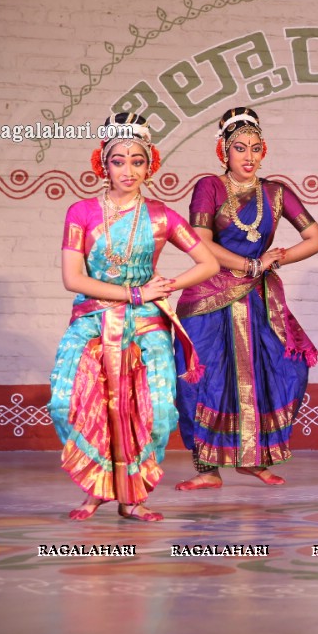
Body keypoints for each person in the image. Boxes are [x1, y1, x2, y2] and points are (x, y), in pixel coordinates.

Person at [49, 113, 218, 522]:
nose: (128, 170)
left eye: (137, 161)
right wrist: (133, 292)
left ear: (150, 164)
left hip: (145, 323)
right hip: (92, 320)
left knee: (157, 412)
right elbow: (74, 279)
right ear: (102, 164)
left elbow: (208, 263)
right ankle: (97, 488)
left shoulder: (161, 216)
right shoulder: (82, 212)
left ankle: (133, 496)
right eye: (119, 161)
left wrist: (168, 284)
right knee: (66, 403)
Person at [173, 107, 318, 490]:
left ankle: (252, 459)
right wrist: (251, 263)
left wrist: (274, 260)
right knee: (202, 379)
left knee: (278, 371)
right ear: (222, 151)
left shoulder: (275, 193)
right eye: (239, 147)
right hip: (208, 297)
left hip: (257, 298)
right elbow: (201, 244)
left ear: (264, 150)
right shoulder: (208, 186)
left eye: (255, 148)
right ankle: (206, 470)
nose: (248, 156)